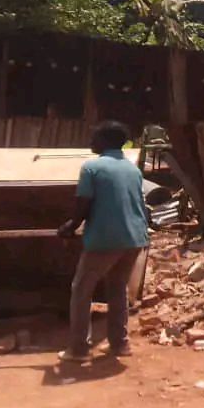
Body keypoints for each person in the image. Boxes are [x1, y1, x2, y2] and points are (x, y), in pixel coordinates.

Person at [57, 121, 150, 363]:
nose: (91, 142)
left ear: (106, 141)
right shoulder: (133, 170)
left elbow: (83, 204)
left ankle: (78, 348)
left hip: (105, 239)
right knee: (117, 287)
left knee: (81, 289)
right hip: (134, 238)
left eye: (94, 138)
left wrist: (70, 226)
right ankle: (120, 345)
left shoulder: (92, 167)